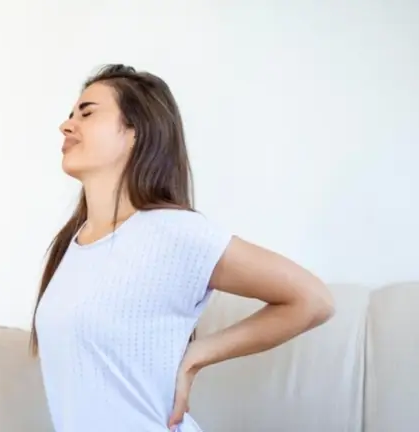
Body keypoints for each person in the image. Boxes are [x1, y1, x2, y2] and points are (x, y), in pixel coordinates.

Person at [30, 64, 335, 432]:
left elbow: (313, 300)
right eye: (70, 115)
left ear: (135, 132)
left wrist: (197, 355)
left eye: (87, 113)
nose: (67, 125)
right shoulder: (71, 244)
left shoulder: (174, 233)